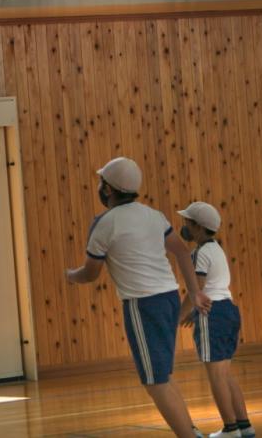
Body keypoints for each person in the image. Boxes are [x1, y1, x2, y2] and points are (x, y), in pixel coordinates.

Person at [66, 157, 212, 438]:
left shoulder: (104, 223)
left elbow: (90, 273)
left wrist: (70, 275)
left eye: (101, 182)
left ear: (108, 189)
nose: (99, 186)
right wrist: (195, 292)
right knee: (162, 376)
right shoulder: (154, 215)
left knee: (154, 381)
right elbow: (183, 252)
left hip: (143, 305)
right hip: (169, 298)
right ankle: (192, 432)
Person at [178, 202, 254, 438]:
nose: (184, 226)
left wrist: (177, 318)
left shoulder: (200, 253)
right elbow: (212, 288)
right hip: (228, 311)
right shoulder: (217, 250)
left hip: (213, 315)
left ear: (199, 227)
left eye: (188, 222)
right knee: (226, 374)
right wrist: (193, 313)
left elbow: (197, 291)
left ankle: (230, 429)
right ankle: (244, 426)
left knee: (216, 376)